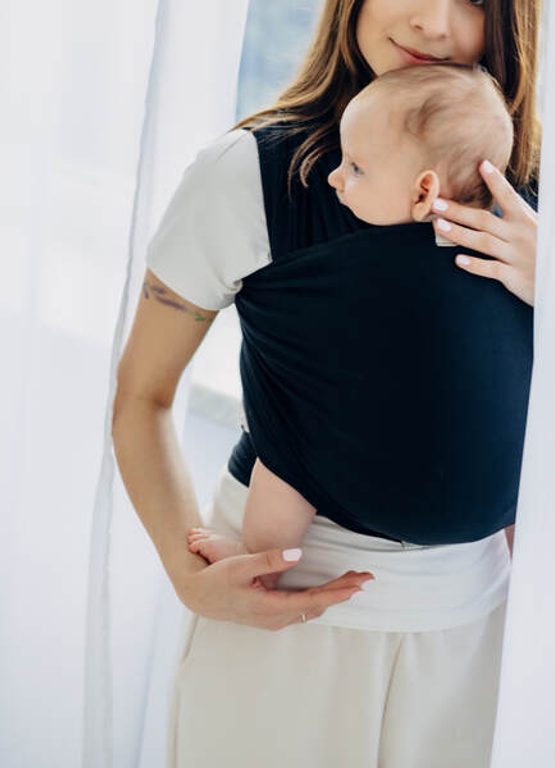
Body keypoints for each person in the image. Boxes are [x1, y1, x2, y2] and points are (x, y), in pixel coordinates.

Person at [113, 0, 541, 768]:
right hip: (281, 621)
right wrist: (188, 574)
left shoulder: (536, 207)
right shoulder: (249, 176)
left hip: (467, 634)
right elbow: (141, 396)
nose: (433, 20)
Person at [186, 61, 516, 592]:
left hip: (371, 478)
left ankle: (261, 560)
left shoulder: (354, 261)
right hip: (493, 509)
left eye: (356, 167)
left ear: (423, 193)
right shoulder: (508, 253)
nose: (335, 177)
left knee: (287, 452)